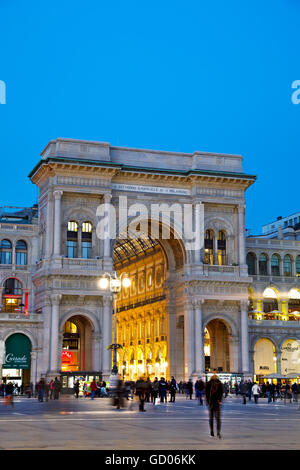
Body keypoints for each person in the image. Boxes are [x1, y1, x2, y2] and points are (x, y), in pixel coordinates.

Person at [205, 374, 223, 439]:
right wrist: (219, 400)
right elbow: (221, 393)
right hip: (216, 403)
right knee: (217, 419)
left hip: (211, 403)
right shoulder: (219, 384)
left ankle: (212, 431)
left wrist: (207, 402)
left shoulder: (208, 384)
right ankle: (217, 432)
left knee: (211, 418)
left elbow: (206, 394)